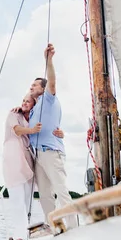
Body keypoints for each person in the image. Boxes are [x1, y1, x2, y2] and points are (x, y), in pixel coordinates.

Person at [3, 92, 64, 240]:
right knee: (17, 199)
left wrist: (60, 134)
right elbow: (17, 130)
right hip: (14, 161)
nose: (24, 103)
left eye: (27, 101)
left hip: (29, 162)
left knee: (26, 200)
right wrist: (32, 130)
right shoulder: (13, 114)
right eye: (23, 100)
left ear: (34, 105)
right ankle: (19, 236)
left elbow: (47, 132)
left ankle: (23, 232)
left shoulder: (32, 119)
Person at [27, 43, 77, 229]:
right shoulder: (34, 107)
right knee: (45, 195)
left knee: (60, 190)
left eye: (34, 85)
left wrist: (48, 61)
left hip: (50, 151)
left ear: (43, 88)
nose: (31, 87)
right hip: (38, 155)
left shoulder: (49, 98)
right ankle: (56, 227)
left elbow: (53, 81)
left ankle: (73, 227)